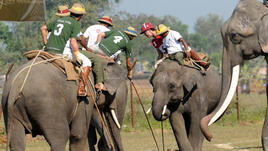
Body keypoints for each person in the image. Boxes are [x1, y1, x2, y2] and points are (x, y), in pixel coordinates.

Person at [41, 3, 92, 96]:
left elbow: (43, 28)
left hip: (48, 50)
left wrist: (46, 42)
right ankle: (81, 88)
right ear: (81, 16)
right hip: (62, 52)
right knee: (87, 62)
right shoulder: (75, 24)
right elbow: (73, 42)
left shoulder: (58, 20)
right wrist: (77, 57)